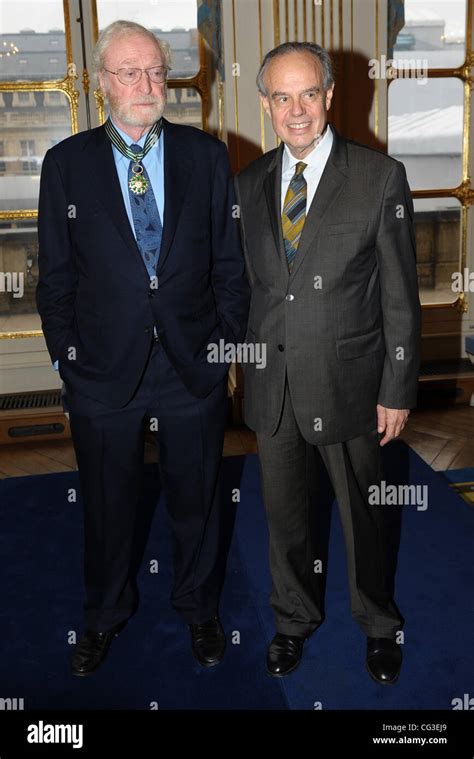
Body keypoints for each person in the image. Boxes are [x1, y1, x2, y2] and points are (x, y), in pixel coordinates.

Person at [37, 20, 249, 676]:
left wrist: (226, 349)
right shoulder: (66, 165)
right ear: (103, 83)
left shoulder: (206, 157)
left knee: (199, 498)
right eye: (129, 72)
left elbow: (230, 267)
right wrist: (68, 358)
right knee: (106, 505)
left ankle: (199, 607)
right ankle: (103, 615)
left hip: (192, 365)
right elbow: (56, 277)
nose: (145, 84)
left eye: (155, 71)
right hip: (103, 369)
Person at [235, 42, 421, 684]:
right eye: (281, 97)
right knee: (283, 518)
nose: (295, 110)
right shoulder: (248, 183)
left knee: (365, 516)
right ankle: (292, 620)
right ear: (265, 104)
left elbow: (400, 296)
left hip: (352, 386)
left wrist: (396, 388)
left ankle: (377, 622)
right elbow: (251, 292)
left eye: (307, 94)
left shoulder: (379, 178)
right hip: (273, 390)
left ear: (330, 97)